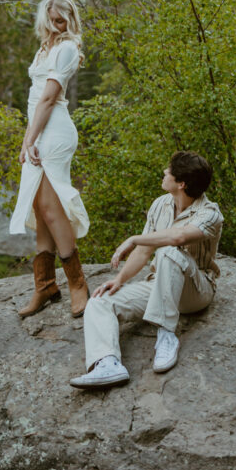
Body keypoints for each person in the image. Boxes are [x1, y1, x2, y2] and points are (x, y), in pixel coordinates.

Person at [70, 151, 223, 389]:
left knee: (170, 251)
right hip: (159, 285)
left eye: (169, 171)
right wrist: (119, 279)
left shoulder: (211, 213)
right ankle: (107, 363)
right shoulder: (160, 204)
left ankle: (166, 335)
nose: (164, 172)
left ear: (181, 184)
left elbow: (178, 237)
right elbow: (142, 252)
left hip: (195, 291)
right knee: (100, 300)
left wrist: (133, 238)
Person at [10, 0, 90, 318]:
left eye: (64, 20)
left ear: (71, 21)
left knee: (50, 207)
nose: (59, 26)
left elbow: (47, 100)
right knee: (39, 208)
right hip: (38, 132)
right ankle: (44, 285)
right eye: (54, 20)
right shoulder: (45, 47)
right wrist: (26, 142)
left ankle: (78, 284)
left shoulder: (68, 48)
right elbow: (34, 101)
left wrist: (30, 140)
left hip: (54, 133)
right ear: (45, 19)